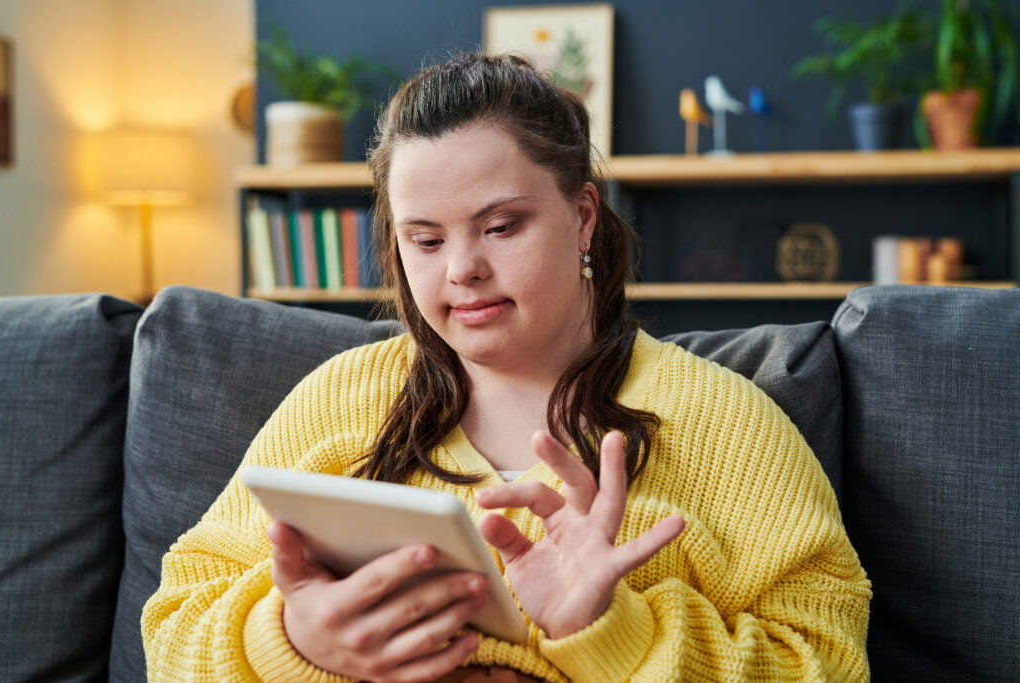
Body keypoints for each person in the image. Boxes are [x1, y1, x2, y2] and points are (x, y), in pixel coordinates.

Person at [142, 53, 871, 682]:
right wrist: (291, 640)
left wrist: (617, 630)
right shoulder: (338, 402)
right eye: (424, 241)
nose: (463, 269)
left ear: (583, 215)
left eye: (500, 227)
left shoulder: (723, 420)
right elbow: (171, 628)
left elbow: (830, 661)